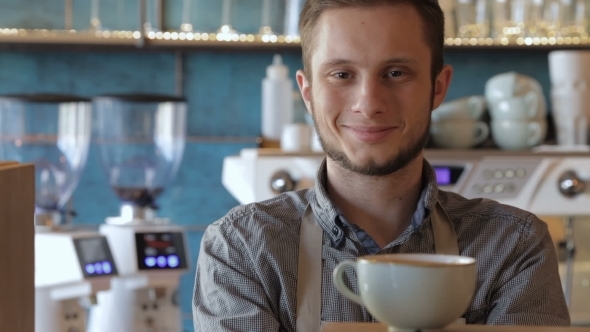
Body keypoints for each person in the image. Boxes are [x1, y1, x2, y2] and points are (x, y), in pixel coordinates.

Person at [193, 0, 571, 331]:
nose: (369, 102)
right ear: (308, 93)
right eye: (341, 74)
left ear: (438, 87)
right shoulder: (241, 249)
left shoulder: (513, 246)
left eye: (396, 73)